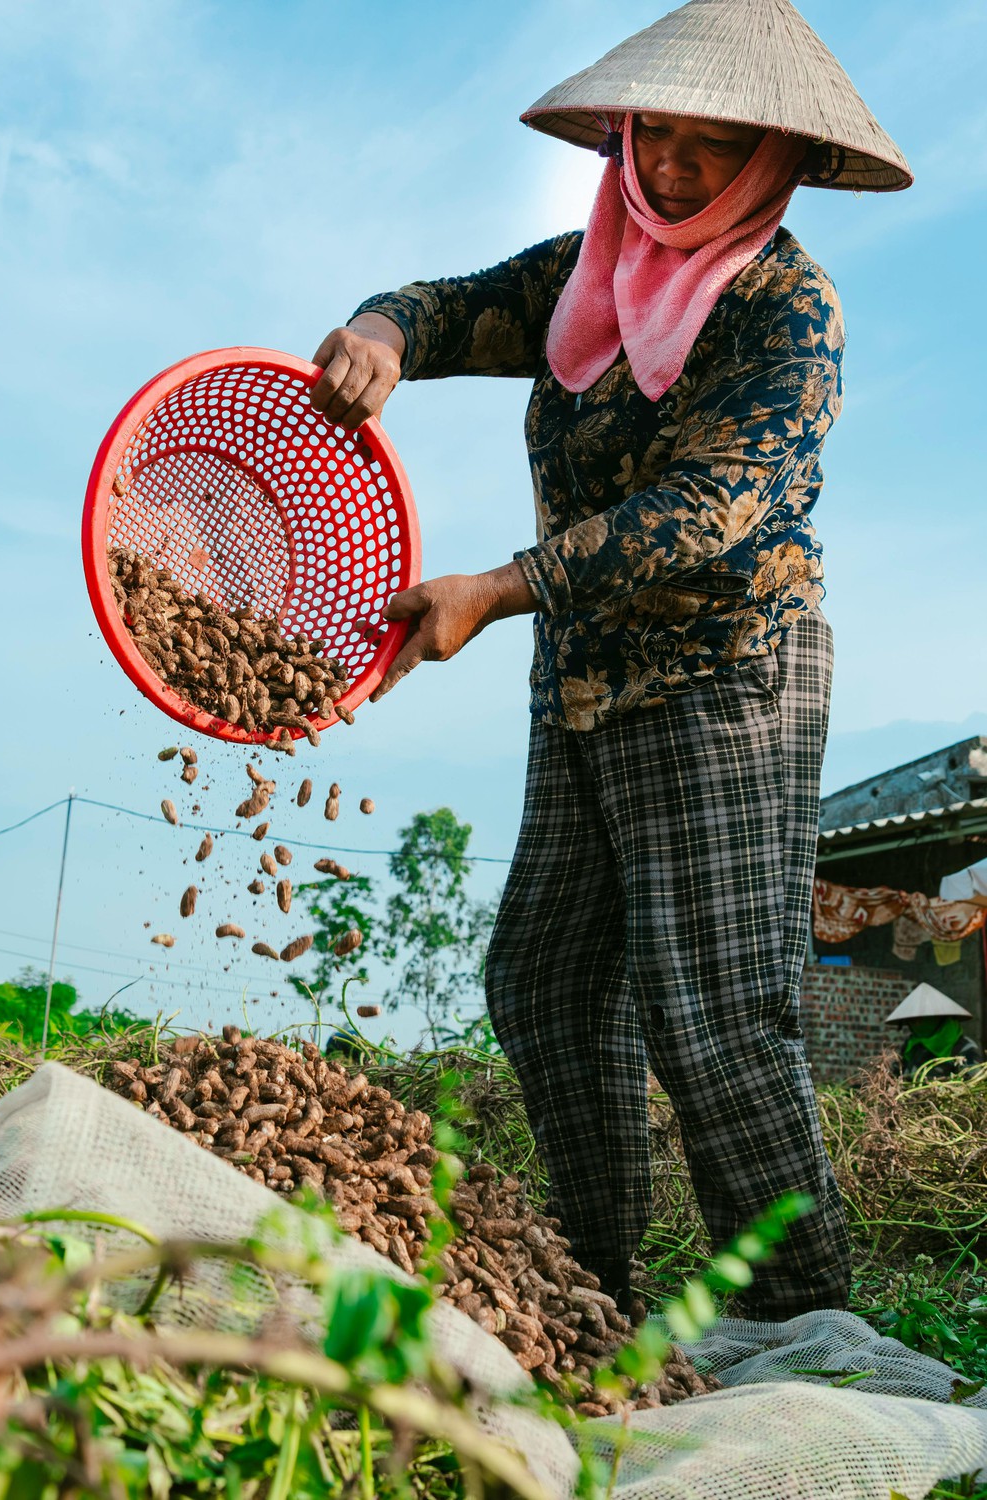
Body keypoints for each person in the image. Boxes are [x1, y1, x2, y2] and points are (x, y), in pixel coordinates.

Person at [308, 0, 911, 1319]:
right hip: (583, 675)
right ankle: (588, 1287)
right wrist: (379, 337)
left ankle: (803, 1318)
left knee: (715, 1012)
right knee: (544, 976)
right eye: (657, 140)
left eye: (714, 149)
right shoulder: (594, 274)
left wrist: (497, 589)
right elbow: (453, 305)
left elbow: (709, 507)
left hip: (726, 675)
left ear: (777, 163)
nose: (677, 174)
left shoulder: (783, 309)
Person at [886, 984, 984, 1081]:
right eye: (912, 1020)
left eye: (921, 1019)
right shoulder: (911, 1045)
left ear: (938, 1019)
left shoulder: (964, 1048)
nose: (916, 1024)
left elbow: (972, 1084)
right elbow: (894, 1076)